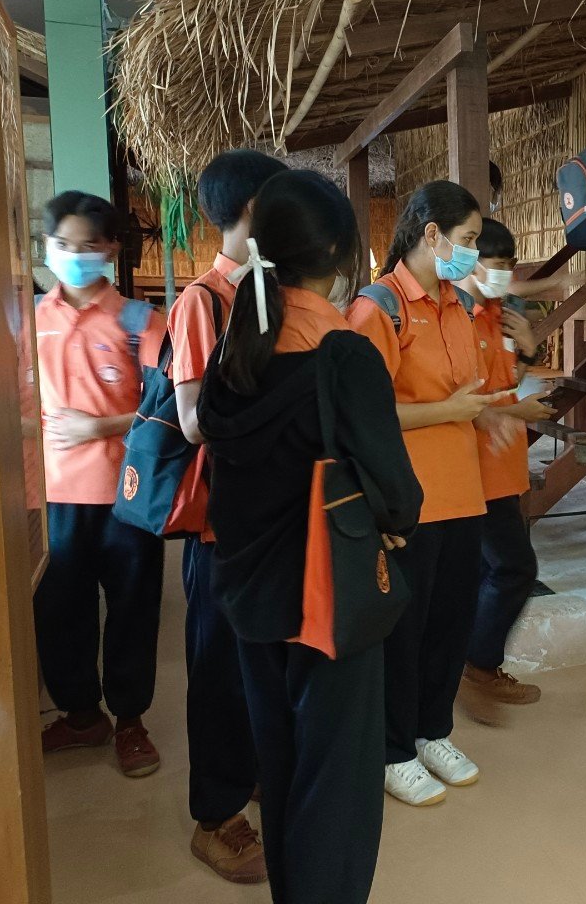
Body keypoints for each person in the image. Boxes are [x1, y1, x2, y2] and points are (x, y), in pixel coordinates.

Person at [199, 170, 421, 904]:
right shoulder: (344, 357)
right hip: (330, 597)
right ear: (335, 252)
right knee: (339, 785)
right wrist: (391, 526)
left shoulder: (233, 353)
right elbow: (397, 495)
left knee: (283, 762)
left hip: (248, 594)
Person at [349, 180, 521, 807]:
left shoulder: (459, 305)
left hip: (464, 494)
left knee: (450, 625)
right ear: (431, 234)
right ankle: (394, 749)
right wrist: (449, 411)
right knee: (405, 632)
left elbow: (463, 393)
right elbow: (361, 414)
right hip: (408, 501)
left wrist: (488, 413)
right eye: (468, 239)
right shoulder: (379, 309)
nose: (472, 252)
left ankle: (432, 732)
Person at [173, 148, 287, 883]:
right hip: (222, 525)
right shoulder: (203, 301)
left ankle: (252, 773)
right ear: (250, 210)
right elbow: (192, 422)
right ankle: (214, 817)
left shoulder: (275, 292)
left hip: (271, 516)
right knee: (217, 670)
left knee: (261, 661)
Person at [33, 191, 167, 778]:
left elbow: (168, 408)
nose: (74, 255)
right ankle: (82, 715)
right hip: (51, 495)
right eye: (62, 244)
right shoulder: (28, 320)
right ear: (45, 246)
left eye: (88, 245)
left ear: (111, 249)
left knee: (133, 608)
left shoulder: (141, 322)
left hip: (129, 496)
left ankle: (131, 720)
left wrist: (101, 426)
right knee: (59, 610)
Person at [454, 219, 556, 726]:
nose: (505, 277)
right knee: (515, 569)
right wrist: (520, 410)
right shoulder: (460, 320)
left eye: (509, 267)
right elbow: (466, 403)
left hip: (503, 465)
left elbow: (508, 379)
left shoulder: (499, 314)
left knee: (485, 571)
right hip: (475, 469)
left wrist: (530, 347)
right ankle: (479, 666)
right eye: (497, 266)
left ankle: (471, 665)